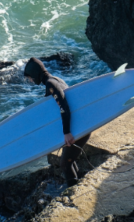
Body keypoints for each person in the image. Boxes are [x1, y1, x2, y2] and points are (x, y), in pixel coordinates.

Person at [24, 57, 90, 187]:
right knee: (68, 161)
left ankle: (73, 193)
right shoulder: (55, 79)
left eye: (30, 77)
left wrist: (66, 132)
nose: (31, 80)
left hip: (77, 129)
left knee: (65, 163)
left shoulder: (51, 84)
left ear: (35, 74)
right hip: (78, 126)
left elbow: (64, 107)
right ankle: (78, 185)